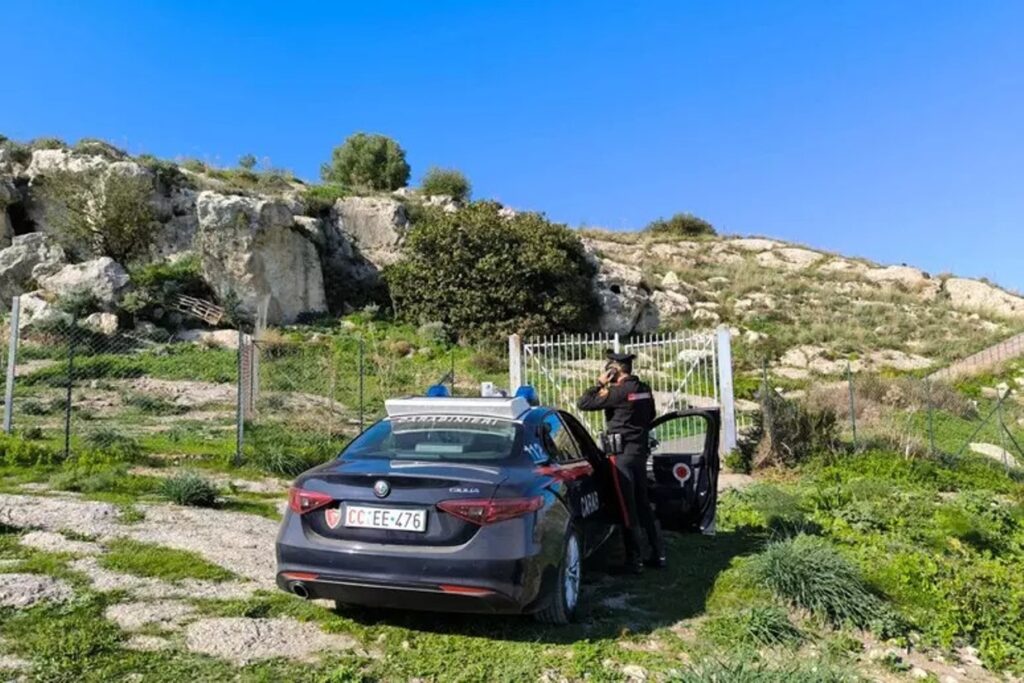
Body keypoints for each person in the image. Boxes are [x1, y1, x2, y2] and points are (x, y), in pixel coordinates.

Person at [577, 350, 665, 574]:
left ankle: (634, 561)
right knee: (643, 502)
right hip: (639, 452)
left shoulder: (618, 392)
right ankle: (658, 553)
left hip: (621, 456)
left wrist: (598, 384)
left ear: (614, 371)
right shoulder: (644, 390)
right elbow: (651, 415)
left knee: (627, 507)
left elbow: (584, 403)